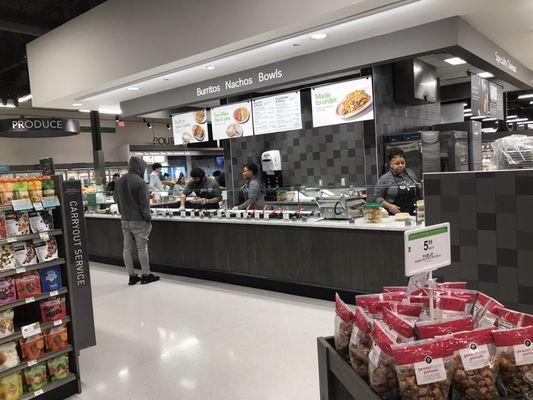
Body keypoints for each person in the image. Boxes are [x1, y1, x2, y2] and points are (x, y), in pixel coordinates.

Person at [113, 156, 160, 285]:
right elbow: (144, 205)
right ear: (140, 167)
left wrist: (123, 211)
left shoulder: (119, 181)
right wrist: (148, 218)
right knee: (142, 248)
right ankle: (146, 275)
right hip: (139, 220)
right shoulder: (140, 182)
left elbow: (116, 199)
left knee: (127, 249)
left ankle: (132, 276)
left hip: (125, 220)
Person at [374, 148, 420, 215]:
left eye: (402, 163)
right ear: (391, 164)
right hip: (395, 215)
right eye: (397, 163)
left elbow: (419, 189)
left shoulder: (410, 173)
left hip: (413, 214)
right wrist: (389, 206)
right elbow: (377, 197)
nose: (400, 165)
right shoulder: (385, 178)